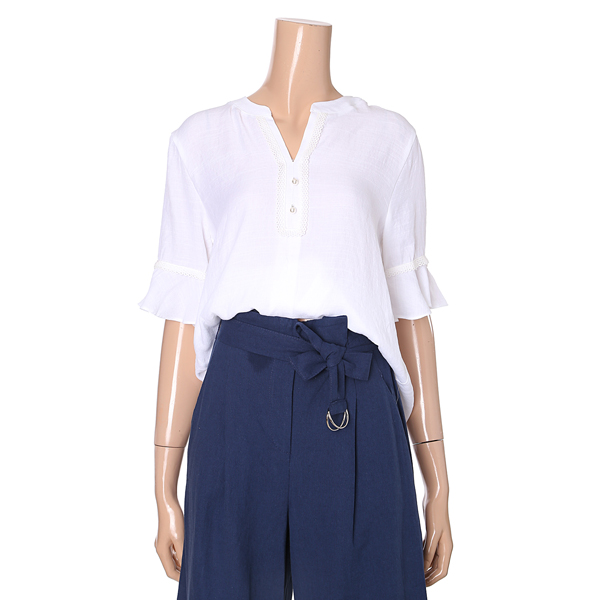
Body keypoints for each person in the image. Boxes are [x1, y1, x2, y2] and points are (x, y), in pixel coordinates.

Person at [138, 17, 453, 600]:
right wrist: (163, 483)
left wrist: (438, 480)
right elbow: (184, 312)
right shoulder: (201, 140)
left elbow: (408, 311)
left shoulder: (390, 140)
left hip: (353, 395)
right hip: (238, 399)